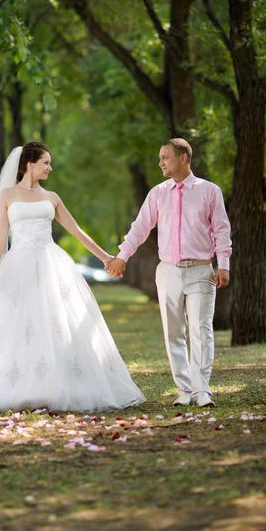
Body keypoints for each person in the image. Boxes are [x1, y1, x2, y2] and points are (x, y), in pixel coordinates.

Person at [0, 142, 146, 413]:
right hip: (18, 265)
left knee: (54, 322)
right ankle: (20, 385)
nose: (50, 168)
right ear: (30, 163)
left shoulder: (52, 197)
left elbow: (77, 231)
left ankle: (58, 384)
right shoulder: (7, 195)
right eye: (46, 162)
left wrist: (107, 258)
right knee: (17, 324)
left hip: (50, 264)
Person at [106, 138, 231, 408]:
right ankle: (185, 390)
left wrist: (224, 264)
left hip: (201, 270)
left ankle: (202, 390)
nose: (161, 162)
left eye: (165, 157)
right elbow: (140, 228)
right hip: (168, 272)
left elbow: (221, 230)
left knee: (201, 330)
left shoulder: (210, 191)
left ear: (183, 158)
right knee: (173, 332)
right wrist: (122, 256)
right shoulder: (158, 193)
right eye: (160, 157)